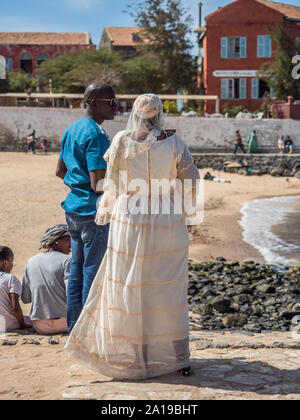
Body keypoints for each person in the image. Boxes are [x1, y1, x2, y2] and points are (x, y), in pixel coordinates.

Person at [65, 93, 201, 380]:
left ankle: (127, 356)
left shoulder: (121, 141)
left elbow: (110, 182)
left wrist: (107, 210)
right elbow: (192, 180)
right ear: (159, 113)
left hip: (130, 217)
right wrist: (183, 210)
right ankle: (173, 358)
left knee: (128, 283)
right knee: (165, 289)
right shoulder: (175, 143)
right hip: (166, 220)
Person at [56, 82, 118, 332]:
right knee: (92, 272)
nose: (116, 106)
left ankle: (74, 327)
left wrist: (77, 186)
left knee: (77, 272)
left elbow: (60, 171)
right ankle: (89, 332)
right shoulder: (96, 135)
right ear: (93, 102)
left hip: (72, 210)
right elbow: (98, 184)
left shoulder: (71, 129)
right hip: (93, 213)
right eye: (110, 102)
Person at [21, 225, 71, 335]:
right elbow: (71, 294)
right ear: (56, 241)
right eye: (68, 240)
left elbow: (25, 298)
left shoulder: (30, 262)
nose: (71, 244)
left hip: (40, 326)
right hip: (66, 323)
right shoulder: (67, 260)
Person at [0, 246, 32, 333]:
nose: (12, 264)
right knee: (33, 320)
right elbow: (15, 308)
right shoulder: (11, 279)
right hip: (8, 325)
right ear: (5, 263)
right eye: (11, 261)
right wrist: (23, 325)